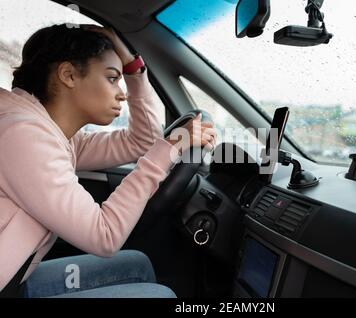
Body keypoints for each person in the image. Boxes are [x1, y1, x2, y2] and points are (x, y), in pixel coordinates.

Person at [0, 24, 216, 298]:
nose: (122, 93)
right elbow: (104, 236)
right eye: (112, 78)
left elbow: (142, 141)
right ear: (68, 75)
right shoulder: (23, 136)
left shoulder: (57, 136)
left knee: (135, 264)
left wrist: (134, 70)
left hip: (15, 276)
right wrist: (169, 149)